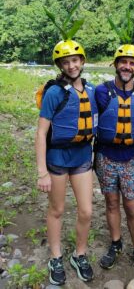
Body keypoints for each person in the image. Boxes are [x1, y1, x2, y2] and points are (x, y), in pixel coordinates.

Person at [35, 39, 97, 285]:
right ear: (60, 65)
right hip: (58, 158)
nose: (71, 65)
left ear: (82, 61)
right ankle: (55, 256)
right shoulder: (53, 93)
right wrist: (42, 172)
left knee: (86, 211)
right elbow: (41, 133)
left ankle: (79, 254)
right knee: (57, 210)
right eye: (65, 62)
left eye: (75, 60)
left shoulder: (91, 90)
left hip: (82, 157)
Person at [94, 44, 134, 279]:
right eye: (123, 62)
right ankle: (116, 243)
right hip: (106, 157)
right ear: (116, 64)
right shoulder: (101, 92)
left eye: (132, 63)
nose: (127, 66)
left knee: (132, 206)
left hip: (130, 158)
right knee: (110, 203)